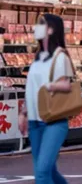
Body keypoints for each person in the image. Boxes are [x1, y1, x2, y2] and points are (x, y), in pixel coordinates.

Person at [19, 13, 74, 184]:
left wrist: (50, 86)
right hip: (35, 122)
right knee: (48, 170)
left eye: (40, 24)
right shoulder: (37, 58)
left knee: (42, 173)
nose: (36, 28)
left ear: (50, 30)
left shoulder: (60, 56)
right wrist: (23, 113)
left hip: (54, 120)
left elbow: (67, 85)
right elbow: (31, 88)